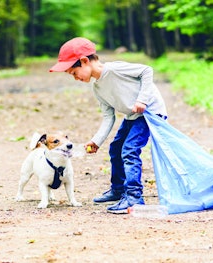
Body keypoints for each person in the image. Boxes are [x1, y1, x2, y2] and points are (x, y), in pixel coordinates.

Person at [49, 37, 167, 214]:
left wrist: (142, 99)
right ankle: (119, 190)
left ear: (84, 61)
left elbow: (146, 71)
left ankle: (134, 197)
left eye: (74, 73)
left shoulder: (114, 69)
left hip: (150, 113)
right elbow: (108, 117)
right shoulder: (97, 88)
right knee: (116, 148)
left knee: (129, 150)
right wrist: (96, 141)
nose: (75, 78)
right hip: (133, 115)